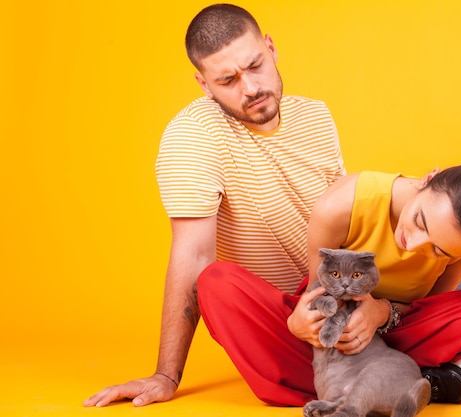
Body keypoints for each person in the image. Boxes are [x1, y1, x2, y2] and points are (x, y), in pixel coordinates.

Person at [83, 3, 345, 408]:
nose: (250, 89)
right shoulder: (193, 136)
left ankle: (390, 365)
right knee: (216, 284)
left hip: (340, 294)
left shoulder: (316, 115)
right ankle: (396, 373)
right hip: (283, 321)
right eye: (227, 80)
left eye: (255, 65)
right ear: (204, 84)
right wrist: (166, 375)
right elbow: (194, 253)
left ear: (270, 48)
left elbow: (349, 222)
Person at [289, 164, 461, 403]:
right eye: (420, 222)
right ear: (427, 179)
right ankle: (413, 381)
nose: (413, 245)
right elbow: (318, 290)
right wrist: (297, 323)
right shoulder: (339, 206)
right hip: (342, 329)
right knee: (258, 310)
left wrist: (381, 313)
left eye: (437, 250)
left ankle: (376, 385)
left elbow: (425, 313)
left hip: (398, 329)